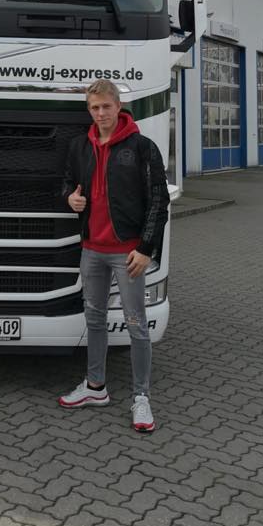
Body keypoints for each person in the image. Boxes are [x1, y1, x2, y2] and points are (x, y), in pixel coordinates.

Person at [59, 79, 170, 433]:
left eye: (106, 106)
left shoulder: (142, 147)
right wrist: (70, 198)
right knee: (94, 319)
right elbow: (67, 182)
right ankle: (95, 387)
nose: (101, 113)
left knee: (136, 324)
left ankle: (141, 397)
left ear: (119, 106)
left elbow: (159, 201)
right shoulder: (80, 146)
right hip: (92, 249)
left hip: (128, 252)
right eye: (94, 108)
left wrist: (146, 249)